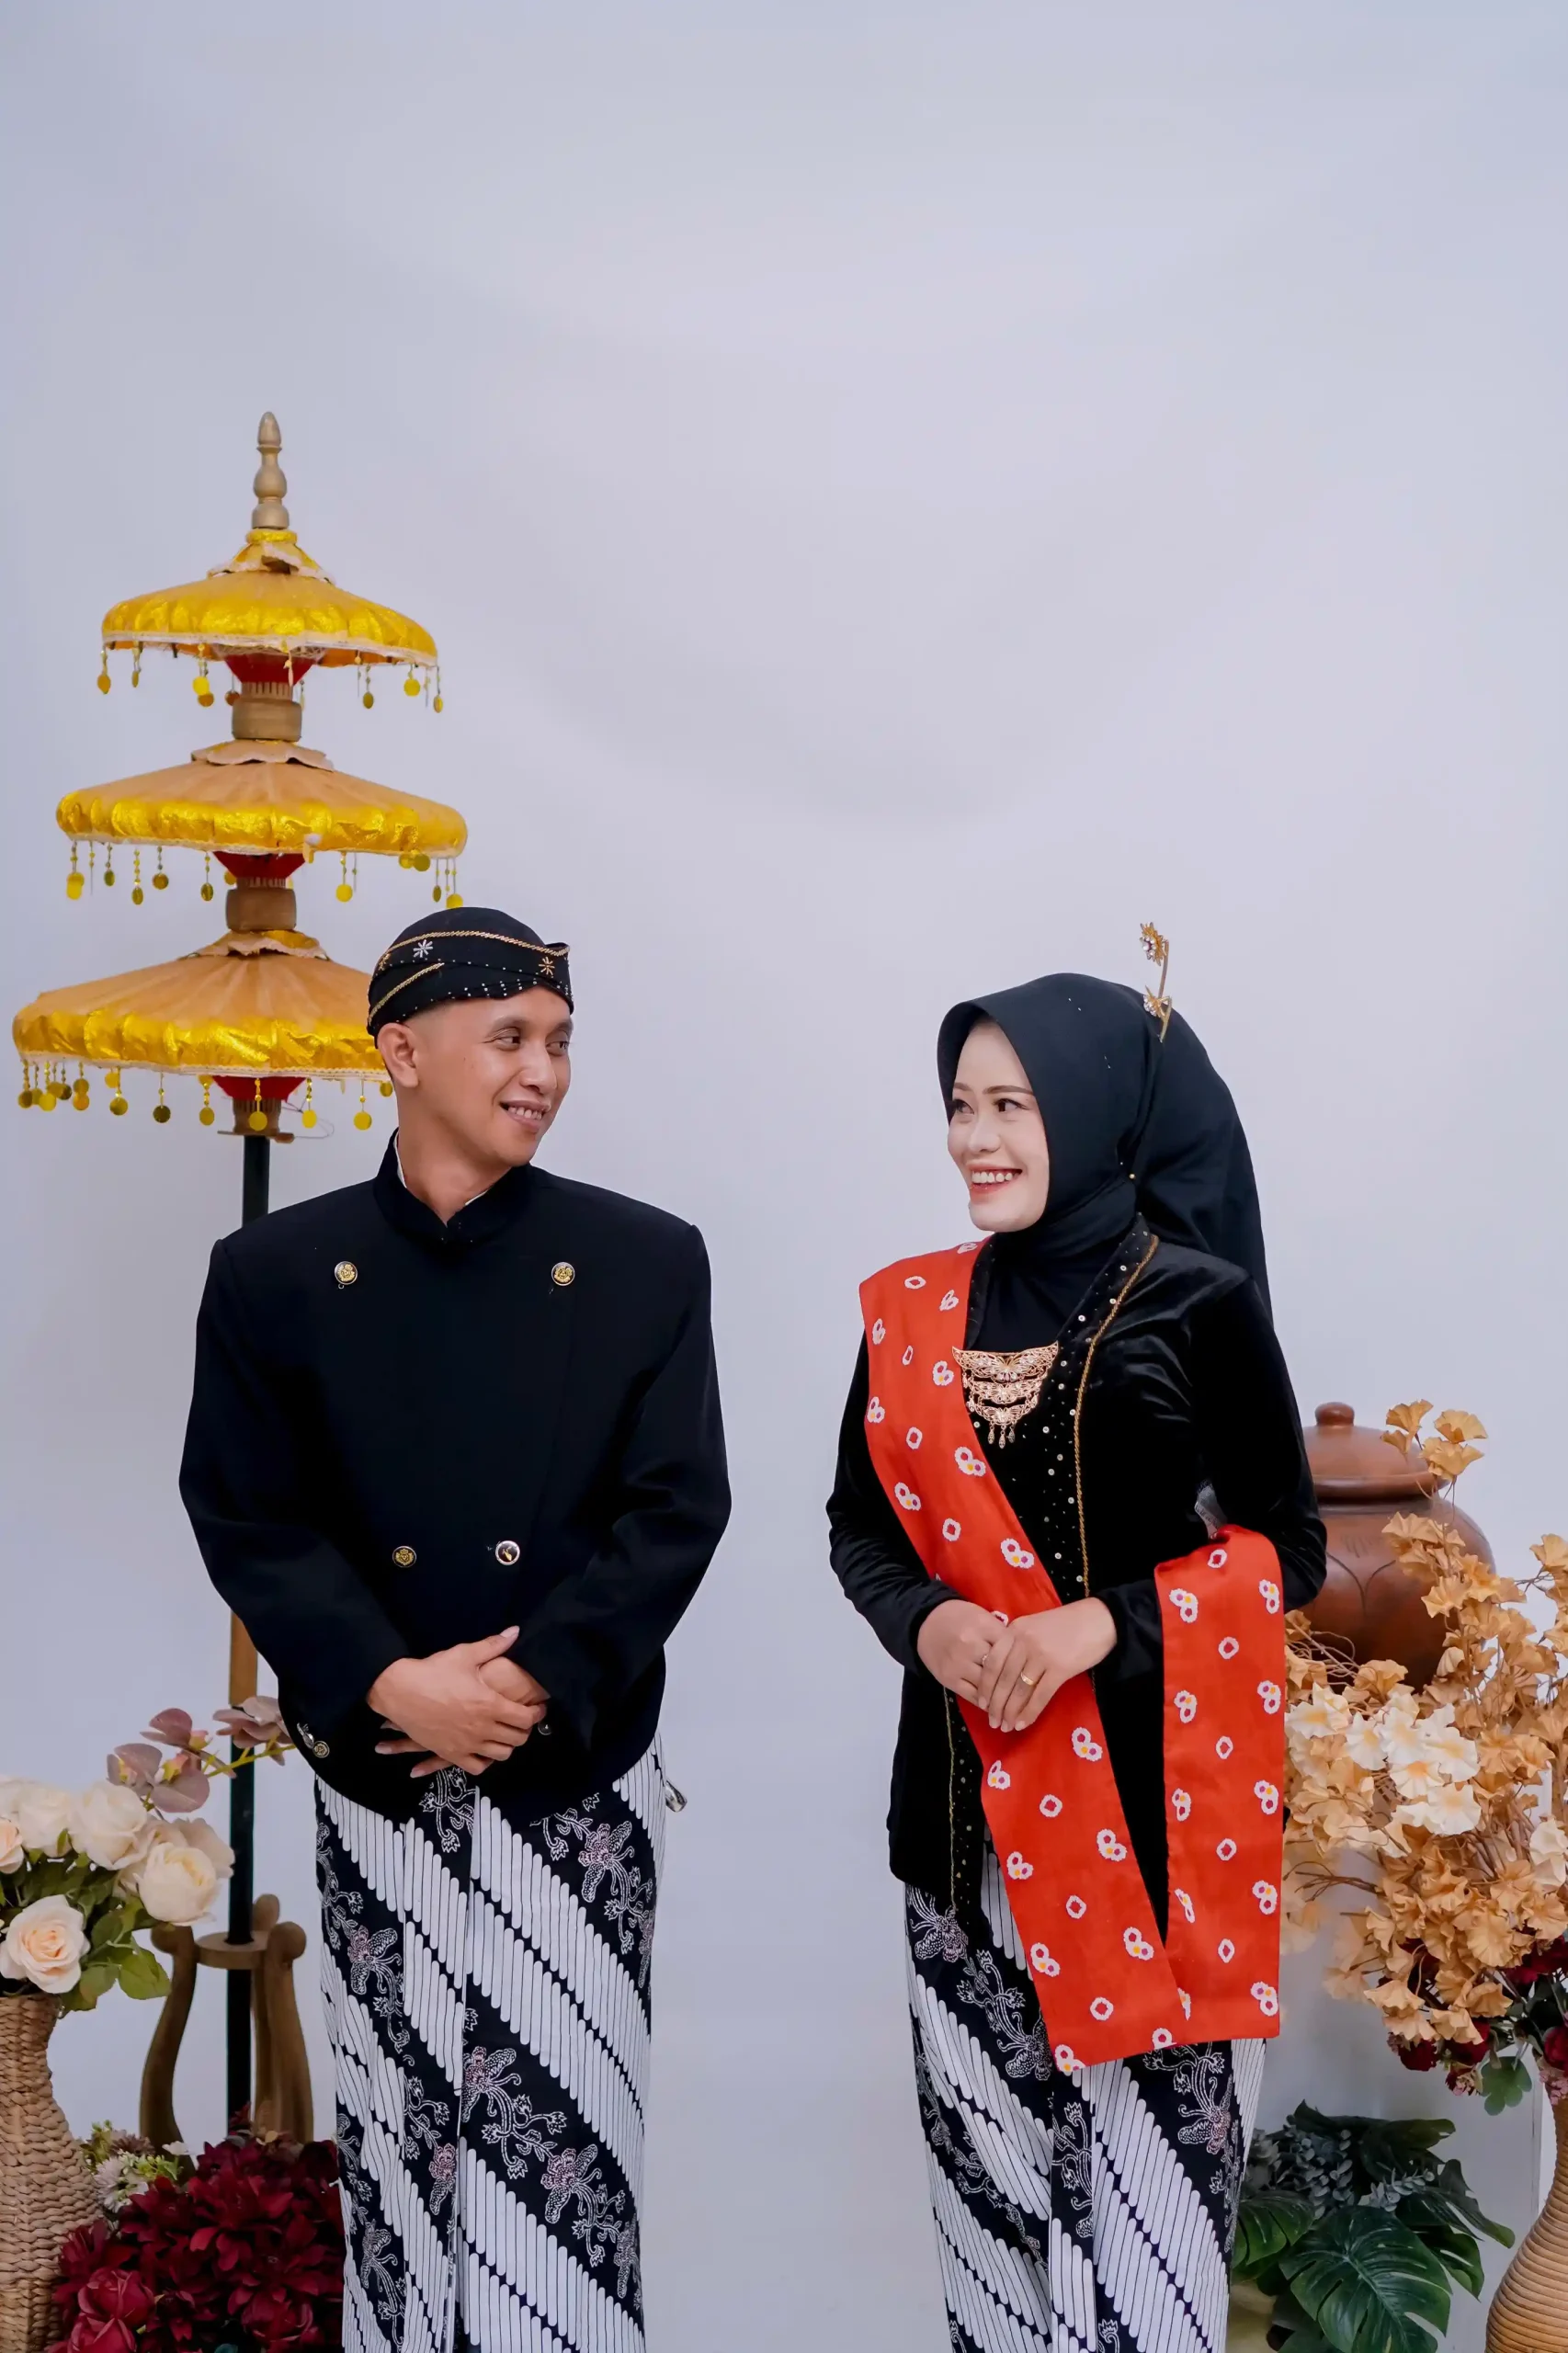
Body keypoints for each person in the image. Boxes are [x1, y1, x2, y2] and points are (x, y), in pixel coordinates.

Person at [181, 908, 730, 2353]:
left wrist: (529, 1676)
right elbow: (247, 1515)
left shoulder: (644, 1259)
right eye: (509, 1037)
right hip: (378, 1773)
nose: (543, 1070)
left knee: (567, 2156)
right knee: (402, 2147)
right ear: (402, 1051)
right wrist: (387, 1681)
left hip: (575, 1771)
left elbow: (675, 1508)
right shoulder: (272, 1272)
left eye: (559, 1041)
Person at [827, 973, 1324, 2353]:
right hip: (960, 1828)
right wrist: (927, 1624)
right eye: (961, 1105)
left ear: (1097, 1112)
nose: (975, 1139)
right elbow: (859, 1527)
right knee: (990, 2216)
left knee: (1149, 2221)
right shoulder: (908, 1310)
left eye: (1014, 1105)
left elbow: (1289, 1549)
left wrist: (1096, 1625)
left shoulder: (1200, 1302)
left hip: (1155, 1842)